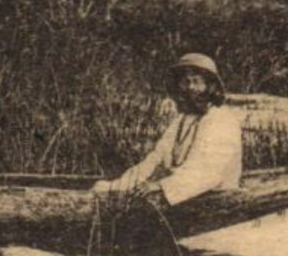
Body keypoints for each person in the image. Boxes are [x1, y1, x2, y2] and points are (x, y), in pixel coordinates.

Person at [94, 53, 242, 208]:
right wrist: (122, 185)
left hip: (214, 199)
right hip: (183, 194)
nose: (190, 87)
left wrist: (161, 186)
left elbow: (206, 171)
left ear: (210, 86)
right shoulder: (182, 120)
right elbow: (156, 159)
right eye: (185, 82)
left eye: (197, 82)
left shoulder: (222, 121)